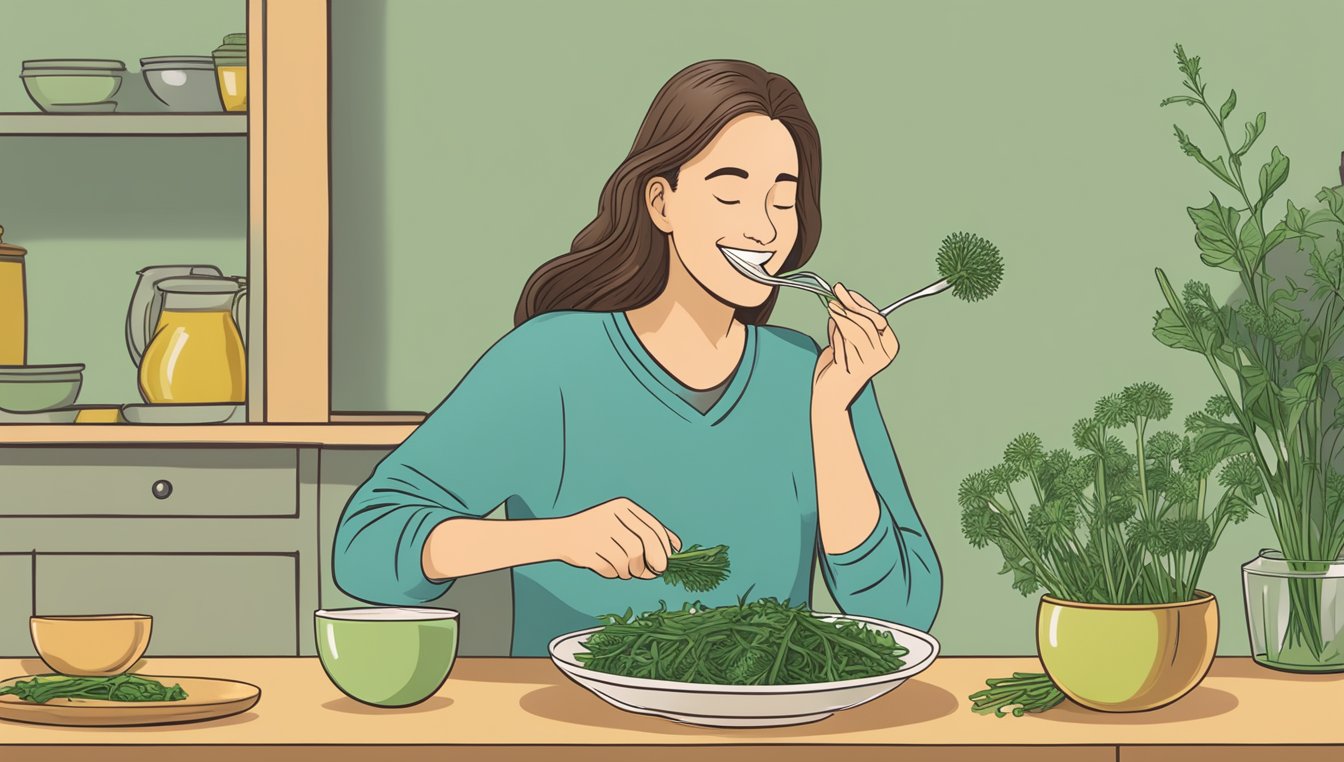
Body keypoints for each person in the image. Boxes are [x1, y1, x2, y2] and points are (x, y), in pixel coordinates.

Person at [333, 59, 942, 657]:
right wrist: (557, 539)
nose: (763, 227)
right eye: (730, 193)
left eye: (782, 201)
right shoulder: (550, 362)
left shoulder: (814, 374)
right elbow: (365, 547)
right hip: (581, 731)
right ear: (662, 202)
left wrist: (831, 412)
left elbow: (900, 612)